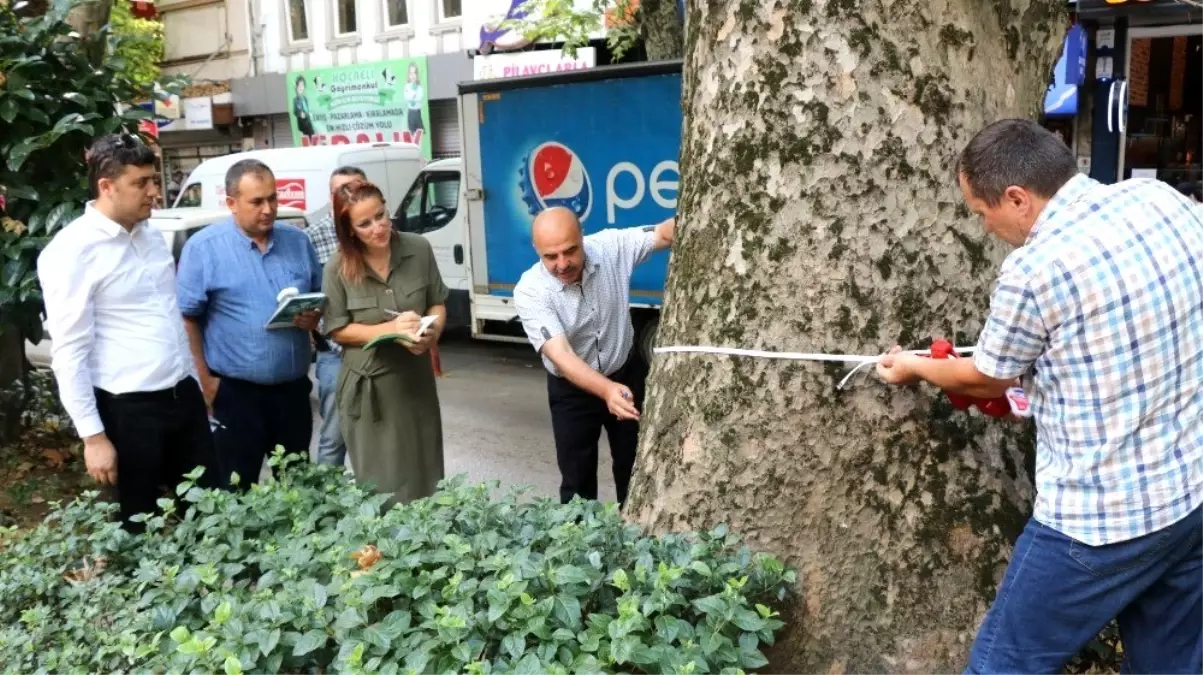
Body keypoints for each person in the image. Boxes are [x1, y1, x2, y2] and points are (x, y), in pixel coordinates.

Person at [876, 119, 1203, 674]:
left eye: (982, 214)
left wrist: (916, 368)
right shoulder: (1161, 201)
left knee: (1003, 665)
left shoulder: (1034, 269)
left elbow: (986, 378)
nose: (985, 227)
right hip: (1189, 496)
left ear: (1017, 198)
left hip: (1097, 521)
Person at [37, 133, 218, 530]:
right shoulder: (71, 252)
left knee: (210, 514)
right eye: (141, 183)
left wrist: (194, 381)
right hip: (129, 410)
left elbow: (169, 316)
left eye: (154, 180)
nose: (155, 192)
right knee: (140, 524)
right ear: (106, 186)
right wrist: (93, 437)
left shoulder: (150, 236)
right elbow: (69, 352)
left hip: (181, 397)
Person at [512, 207, 675, 507]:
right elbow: (561, 355)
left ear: (582, 237)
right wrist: (606, 390)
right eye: (551, 257)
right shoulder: (530, 291)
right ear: (537, 251)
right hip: (571, 391)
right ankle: (582, 547)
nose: (562, 264)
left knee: (636, 468)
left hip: (625, 374)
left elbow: (663, 233)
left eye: (570, 251)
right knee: (577, 483)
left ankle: (635, 538)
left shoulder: (611, 246)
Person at [176, 159, 323, 488]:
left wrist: (312, 319)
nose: (269, 209)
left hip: (292, 394)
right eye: (257, 201)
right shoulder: (203, 249)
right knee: (235, 490)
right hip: (235, 396)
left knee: (297, 489)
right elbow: (187, 320)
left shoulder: (297, 242)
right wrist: (207, 385)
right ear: (231, 203)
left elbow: (318, 300)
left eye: (273, 198)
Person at [321, 179, 447, 505]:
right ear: (348, 229)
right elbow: (337, 329)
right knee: (383, 487)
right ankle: (382, 554)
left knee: (427, 477)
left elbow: (437, 302)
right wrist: (389, 329)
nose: (378, 228)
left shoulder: (418, 248)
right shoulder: (338, 267)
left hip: (415, 382)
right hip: (369, 389)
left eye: (381, 215)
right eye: (365, 223)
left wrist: (431, 333)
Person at [306, 166, 366, 468]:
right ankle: (326, 509)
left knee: (376, 438)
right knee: (334, 436)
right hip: (335, 354)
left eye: (354, 188)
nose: (347, 196)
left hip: (377, 351)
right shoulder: (312, 237)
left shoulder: (377, 231)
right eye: (339, 190)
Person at [404, 63, 425, 135]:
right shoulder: (407, 86)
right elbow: (407, 97)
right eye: (411, 73)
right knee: (411, 134)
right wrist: (412, 94)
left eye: (414, 73)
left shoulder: (419, 88)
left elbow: (419, 98)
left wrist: (414, 95)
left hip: (417, 112)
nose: (412, 75)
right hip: (410, 113)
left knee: (419, 134)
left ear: (417, 75)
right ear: (408, 75)